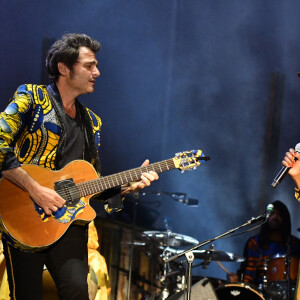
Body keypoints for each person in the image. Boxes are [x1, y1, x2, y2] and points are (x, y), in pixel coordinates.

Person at [0, 33, 159, 300]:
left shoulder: (92, 123)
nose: (97, 72)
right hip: (24, 216)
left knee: (77, 292)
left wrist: (126, 186)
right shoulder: (32, 98)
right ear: (64, 68)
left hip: (69, 224)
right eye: (89, 65)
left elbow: (91, 184)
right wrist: (36, 189)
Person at [227, 200, 300, 288]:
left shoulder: (295, 244)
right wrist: (236, 280)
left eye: (279, 214)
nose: (275, 217)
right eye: (272, 214)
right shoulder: (254, 243)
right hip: (257, 292)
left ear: (285, 219)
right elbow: (246, 272)